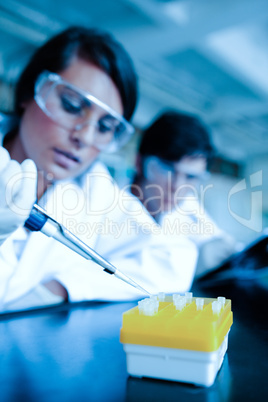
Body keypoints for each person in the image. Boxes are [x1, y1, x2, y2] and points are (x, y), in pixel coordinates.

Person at [0, 27, 197, 311]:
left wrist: (60, 289)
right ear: (31, 90)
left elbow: (173, 259)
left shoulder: (95, 190)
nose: (85, 138)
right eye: (71, 106)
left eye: (106, 127)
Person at [131, 110, 237, 277]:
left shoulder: (188, 206)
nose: (177, 187)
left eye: (191, 177)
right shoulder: (108, 207)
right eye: (167, 169)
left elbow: (221, 242)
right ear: (139, 162)